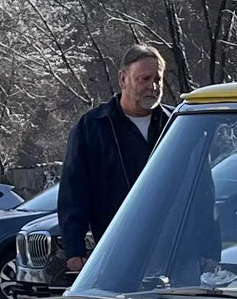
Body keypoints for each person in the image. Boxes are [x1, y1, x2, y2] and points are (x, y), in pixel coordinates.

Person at [58, 43, 170, 274]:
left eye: (158, 79)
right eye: (144, 79)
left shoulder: (176, 125)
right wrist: (74, 249)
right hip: (116, 251)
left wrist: (207, 248)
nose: (153, 86)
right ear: (123, 79)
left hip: (174, 250)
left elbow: (200, 188)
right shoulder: (93, 127)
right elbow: (74, 191)